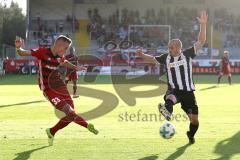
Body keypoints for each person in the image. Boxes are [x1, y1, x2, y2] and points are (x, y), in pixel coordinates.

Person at [136, 11, 208, 144]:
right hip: (174, 90)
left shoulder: (187, 54)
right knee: (170, 98)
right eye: (169, 47)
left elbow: (201, 41)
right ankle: (167, 111)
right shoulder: (166, 57)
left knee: (194, 121)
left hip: (188, 93)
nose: (169, 49)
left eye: (172, 47)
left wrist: (203, 25)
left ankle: (190, 135)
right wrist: (142, 55)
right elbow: (153, 59)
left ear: (179, 48)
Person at [15, 35, 99, 146]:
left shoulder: (60, 56)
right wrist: (18, 48)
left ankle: (51, 131)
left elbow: (64, 62)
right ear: (58, 45)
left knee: (71, 114)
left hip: (60, 86)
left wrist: (75, 67)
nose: (66, 51)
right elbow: (23, 53)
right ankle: (87, 126)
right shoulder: (42, 52)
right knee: (70, 112)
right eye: (65, 48)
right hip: (49, 89)